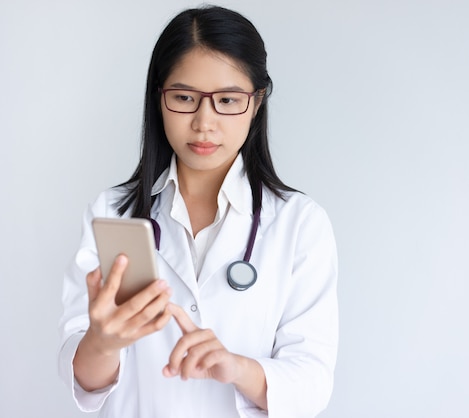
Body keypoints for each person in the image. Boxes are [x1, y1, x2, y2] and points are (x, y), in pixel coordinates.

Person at [58, 5, 338, 418]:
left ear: (257, 102)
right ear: (159, 98)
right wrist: (103, 341)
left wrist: (237, 367)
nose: (204, 122)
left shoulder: (300, 223)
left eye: (227, 100)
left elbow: (312, 385)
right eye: (185, 98)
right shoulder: (113, 213)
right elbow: (84, 382)